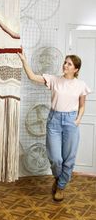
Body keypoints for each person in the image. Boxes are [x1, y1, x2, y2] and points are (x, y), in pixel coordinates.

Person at [18, 49, 91, 201]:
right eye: (65, 62)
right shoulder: (54, 80)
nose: (65, 65)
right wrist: (24, 61)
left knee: (69, 158)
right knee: (56, 158)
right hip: (54, 121)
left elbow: (82, 106)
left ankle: (61, 187)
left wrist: (77, 120)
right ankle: (59, 178)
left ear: (76, 69)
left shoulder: (81, 85)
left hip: (71, 121)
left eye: (69, 64)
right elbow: (32, 77)